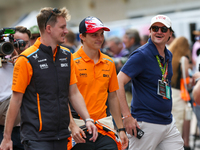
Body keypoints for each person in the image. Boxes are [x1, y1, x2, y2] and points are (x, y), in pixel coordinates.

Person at [0, 7, 97, 150]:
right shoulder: (26, 59)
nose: (66, 31)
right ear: (49, 28)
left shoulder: (67, 55)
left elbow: (74, 93)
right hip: (36, 138)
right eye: (62, 27)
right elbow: (16, 99)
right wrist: (7, 138)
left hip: (62, 135)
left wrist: (87, 119)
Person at [117, 14, 184, 150]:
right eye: (155, 28)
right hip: (146, 123)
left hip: (168, 122)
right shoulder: (141, 55)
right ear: (150, 31)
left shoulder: (168, 55)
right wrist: (126, 116)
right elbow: (118, 82)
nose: (159, 32)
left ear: (170, 34)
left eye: (163, 29)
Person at [70, 16, 128, 150]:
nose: (100, 38)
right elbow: (63, 97)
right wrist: (72, 125)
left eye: (101, 34)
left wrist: (120, 129)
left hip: (104, 127)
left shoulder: (109, 62)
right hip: (80, 128)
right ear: (82, 37)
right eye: (94, 35)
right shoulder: (70, 62)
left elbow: (113, 97)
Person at [0, 25, 31, 150]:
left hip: (28, 127)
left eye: (23, 43)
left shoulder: (32, 62)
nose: (18, 47)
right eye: (14, 42)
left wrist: (24, 63)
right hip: (3, 127)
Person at [168, 36, 192, 150]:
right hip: (180, 94)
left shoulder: (169, 56)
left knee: (171, 123)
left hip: (168, 93)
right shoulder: (184, 59)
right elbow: (186, 79)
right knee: (179, 123)